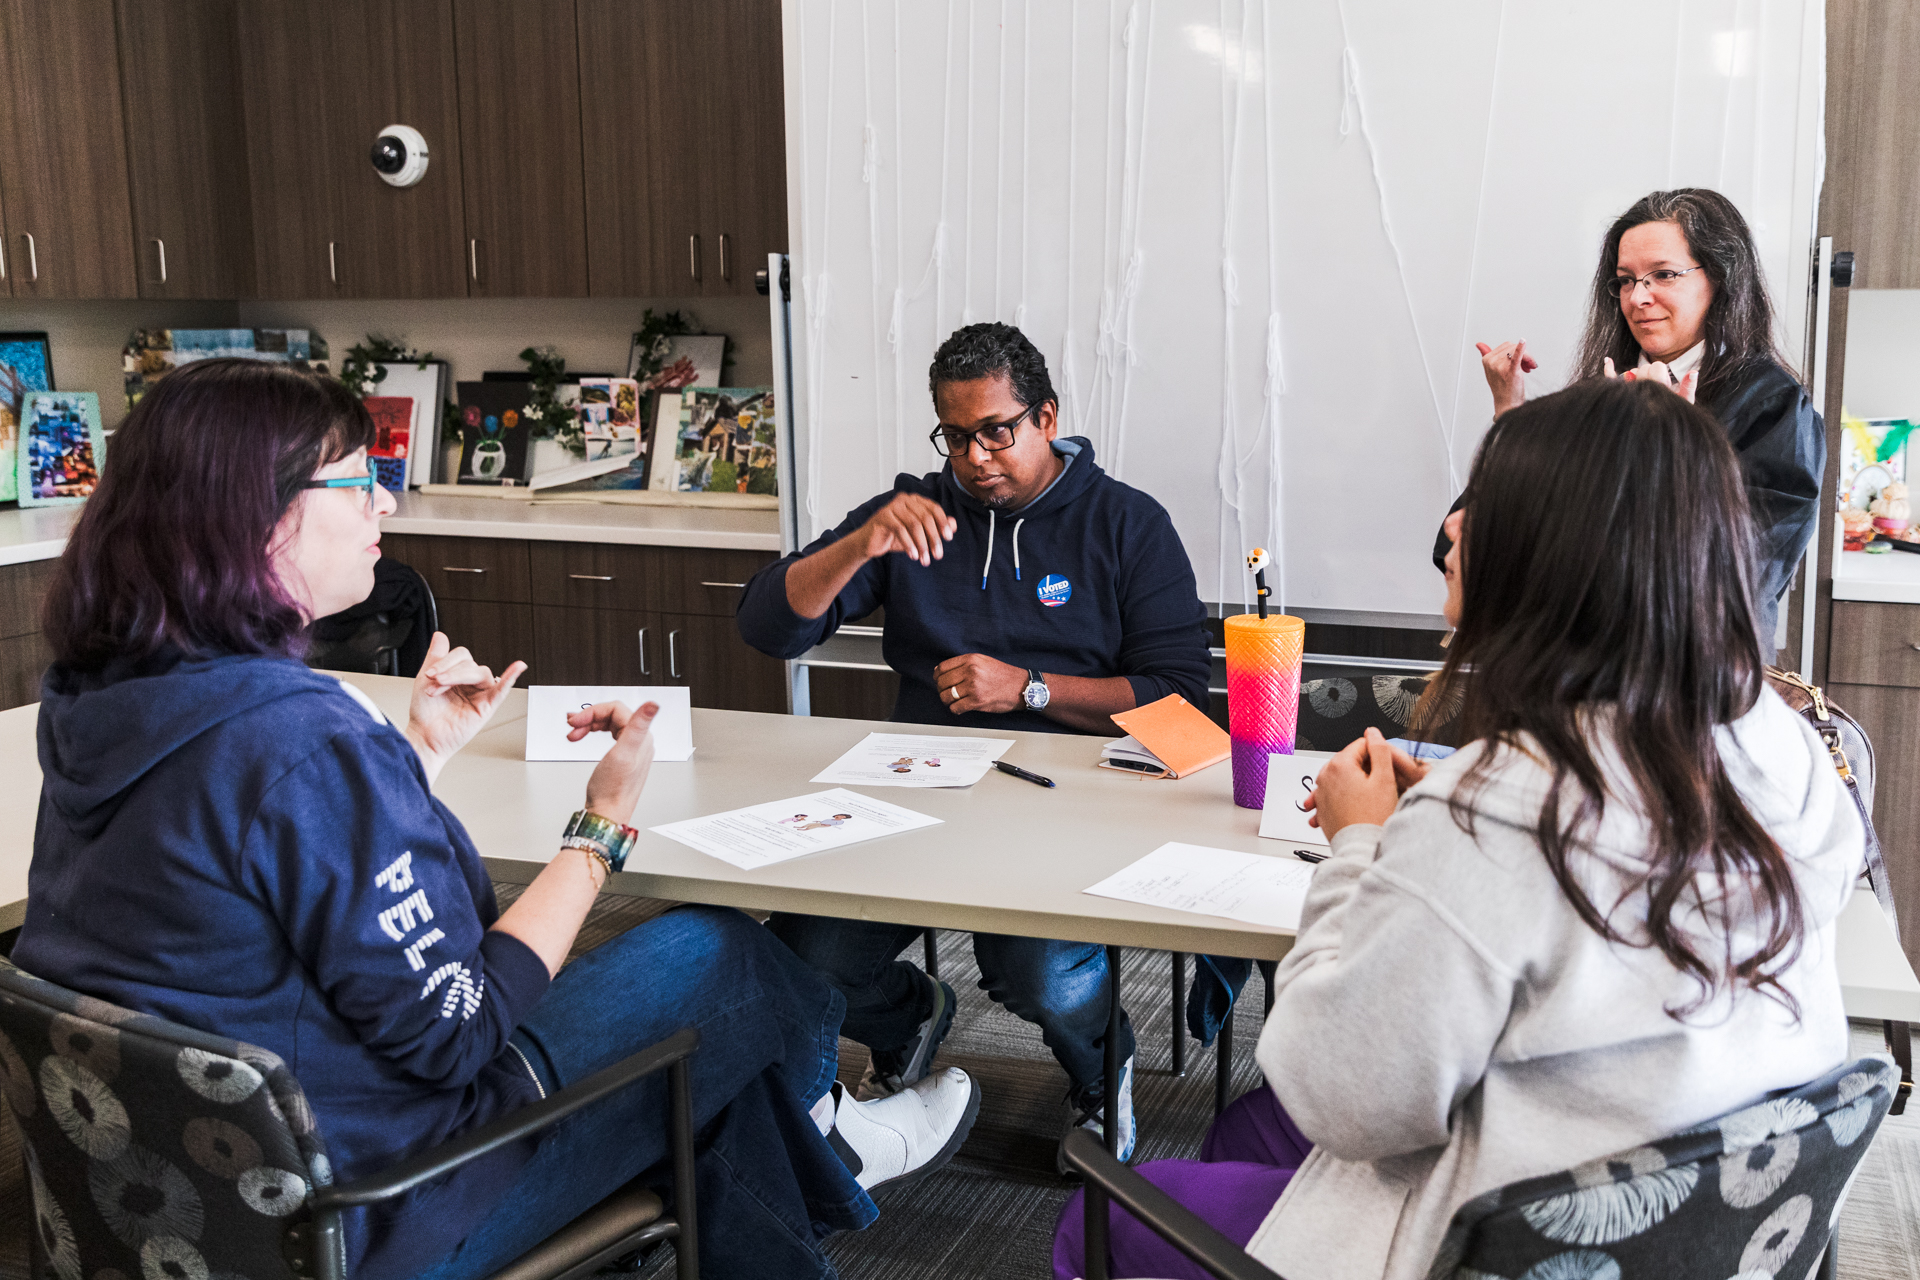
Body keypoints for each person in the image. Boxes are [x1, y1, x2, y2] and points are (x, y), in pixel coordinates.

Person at [14, 359, 980, 1280]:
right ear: (259, 522)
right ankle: (831, 1128)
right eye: (361, 482)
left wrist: (413, 755)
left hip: (195, 1198)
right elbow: (458, 1029)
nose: (386, 502)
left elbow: (260, 868)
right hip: (377, 1210)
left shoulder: (105, 696)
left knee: (706, 1073)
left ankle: (821, 1143)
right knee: (718, 958)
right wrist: (599, 828)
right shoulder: (302, 740)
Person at [1056, 378, 1860, 1279]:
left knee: (1108, 1209)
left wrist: (1362, 844)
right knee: (1244, 1126)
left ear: (1551, 553)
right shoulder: (1776, 745)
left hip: (1487, 1232)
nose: (1454, 529)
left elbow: (1339, 1098)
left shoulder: (1495, 813)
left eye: (1488, 504)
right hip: (1679, 1213)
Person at [737, 322, 1212, 1164]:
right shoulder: (913, 513)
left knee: (1038, 974)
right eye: (957, 438)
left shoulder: (1127, 524)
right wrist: (859, 545)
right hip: (915, 790)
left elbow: (1178, 698)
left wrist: (1029, 688)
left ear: (1046, 416)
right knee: (808, 958)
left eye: (998, 430)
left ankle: (1103, 1066)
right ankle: (912, 1011)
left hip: (1070, 798)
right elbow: (769, 628)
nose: (978, 457)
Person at [1445, 188, 1824, 643]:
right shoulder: (1597, 392)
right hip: (1572, 672)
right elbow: (1468, 547)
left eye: (1663, 275)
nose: (1637, 298)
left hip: (1694, 680)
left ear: (1721, 279)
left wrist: (1671, 448)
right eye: (1626, 280)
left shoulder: (1774, 406)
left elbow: (1741, 576)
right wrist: (1511, 416)